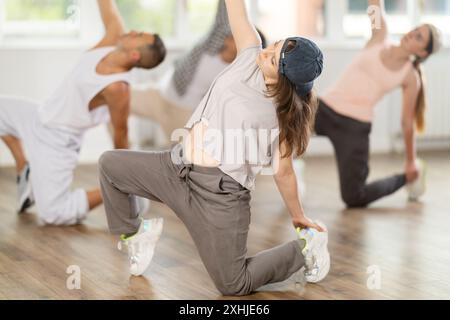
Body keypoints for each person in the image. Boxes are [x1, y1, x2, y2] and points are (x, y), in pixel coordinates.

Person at [99, 0, 330, 296]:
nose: (266, 52)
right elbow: (236, 8)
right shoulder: (249, 53)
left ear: (285, 81)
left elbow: (283, 172)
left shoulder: (281, 116)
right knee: (110, 166)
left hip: (220, 195)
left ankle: (306, 249)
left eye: (273, 58)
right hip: (176, 168)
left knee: (233, 284)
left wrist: (298, 215)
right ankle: (135, 234)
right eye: (274, 45)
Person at [0, 0, 166, 225]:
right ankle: (24, 166)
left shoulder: (118, 88)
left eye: (138, 35)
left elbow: (120, 134)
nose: (132, 30)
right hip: (40, 115)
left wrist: (125, 177)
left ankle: (118, 189)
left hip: (58, 141)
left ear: (135, 55)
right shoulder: (113, 37)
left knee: (53, 213)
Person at [315, 0, 442, 208]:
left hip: (355, 128)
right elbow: (374, 6)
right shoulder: (379, 36)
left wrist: (410, 163)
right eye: (415, 29)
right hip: (324, 109)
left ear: (422, 53)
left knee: (354, 197)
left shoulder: (410, 78)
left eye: (419, 37)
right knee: (283, 118)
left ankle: (403, 179)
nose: (412, 33)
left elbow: (407, 123)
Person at [129, 0, 266, 144]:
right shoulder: (213, 43)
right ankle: (121, 145)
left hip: (184, 115)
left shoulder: (237, 73)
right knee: (111, 94)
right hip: (159, 96)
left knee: (184, 160)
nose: (231, 34)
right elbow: (223, 13)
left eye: (238, 36)